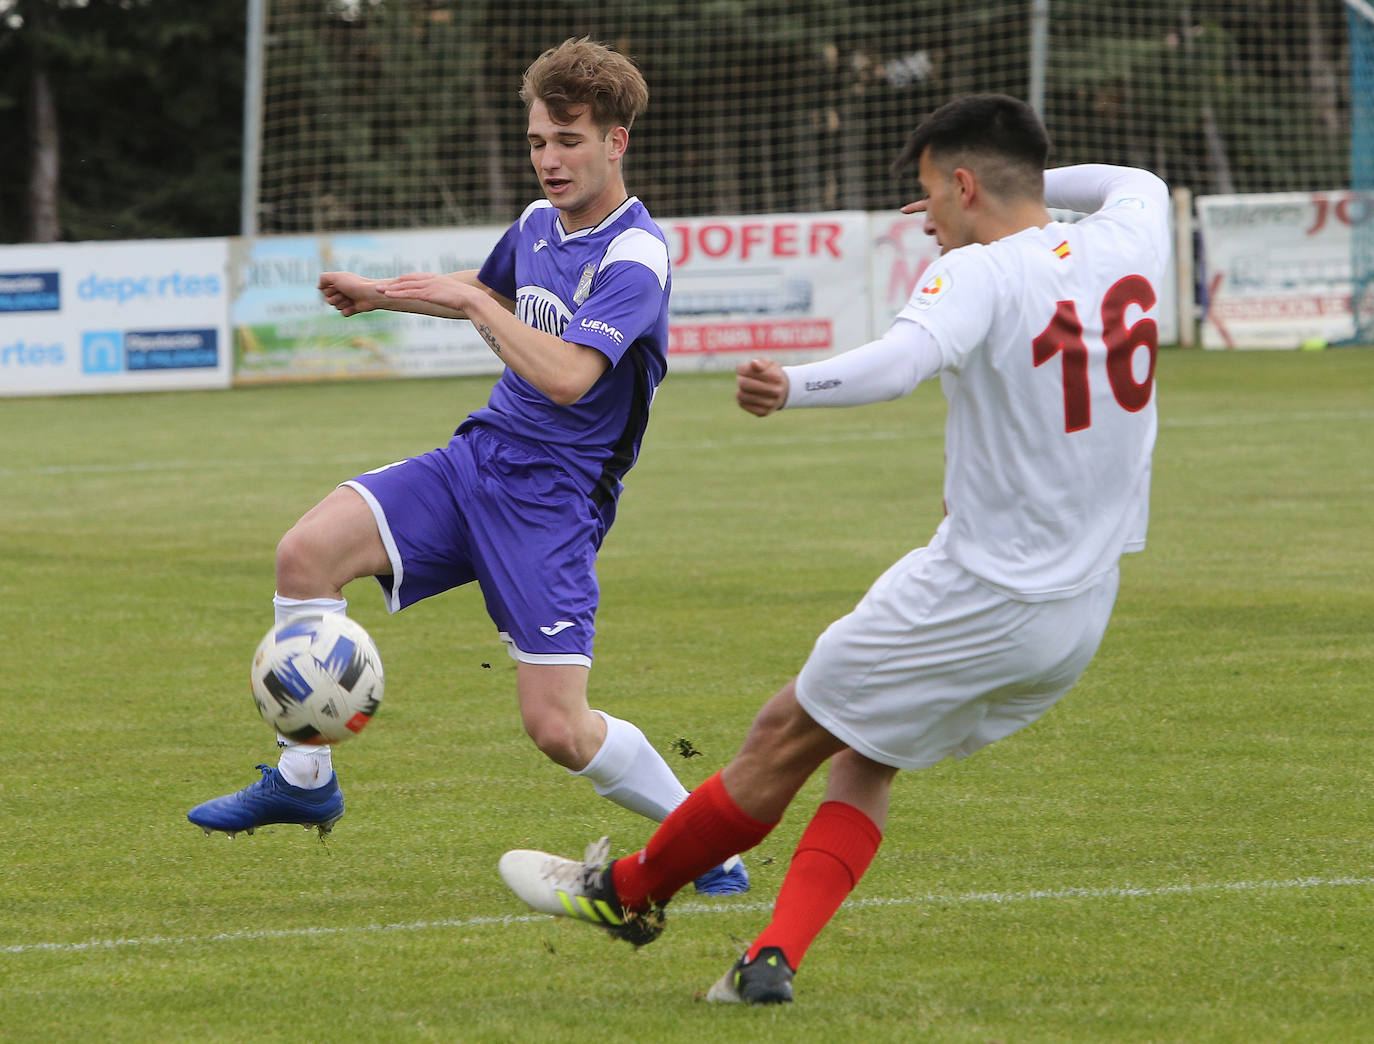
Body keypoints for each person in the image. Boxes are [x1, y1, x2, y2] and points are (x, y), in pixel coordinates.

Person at [497, 93, 1171, 1003]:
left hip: (977, 589)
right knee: (865, 755)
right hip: (1080, 608)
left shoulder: (980, 276)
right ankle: (768, 961)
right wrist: (1019, 185)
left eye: (931, 194)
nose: (924, 217)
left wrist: (793, 385)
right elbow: (1130, 178)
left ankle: (626, 892)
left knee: (782, 734)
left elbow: (899, 361)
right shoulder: (1136, 229)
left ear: (967, 184)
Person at [187, 37, 748, 897]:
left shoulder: (635, 259)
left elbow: (566, 378)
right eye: (537, 142)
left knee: (558, 730)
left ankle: (706, 843)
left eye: (568, 141)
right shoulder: (535, 226)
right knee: (306, 553)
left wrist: (473, 301)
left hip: (553, 502)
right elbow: (482, 286)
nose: (549, 160)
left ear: (615, 142)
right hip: (475, 460)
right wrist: (385, 293)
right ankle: (305, 783)